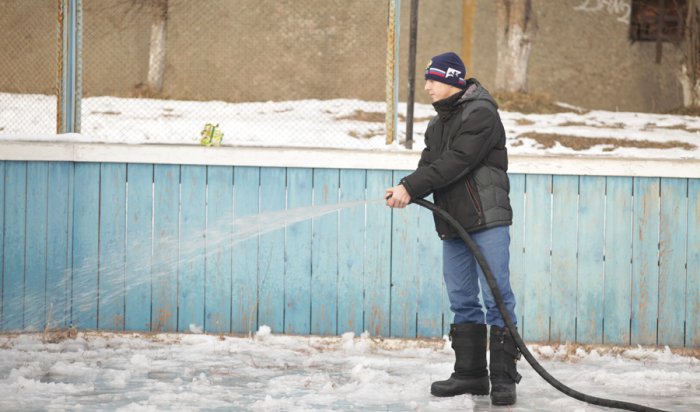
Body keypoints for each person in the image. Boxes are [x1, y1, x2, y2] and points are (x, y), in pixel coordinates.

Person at [385, 52, 520, 406]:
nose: (427, 86)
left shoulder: (482, 114)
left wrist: (411, 186)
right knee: (462, 298)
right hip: (454, 221)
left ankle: (503, 379)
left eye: (432, 79)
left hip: (486, 218)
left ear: (452, 80)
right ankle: (470, 375)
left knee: (496, 297)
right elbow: (430, 166)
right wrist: (405, 189)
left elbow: (457, 161)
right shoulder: (437, 124)